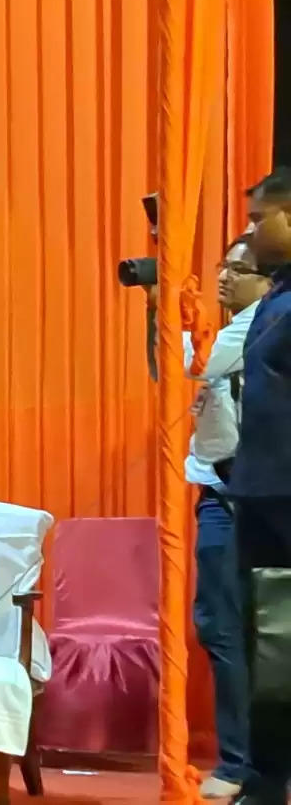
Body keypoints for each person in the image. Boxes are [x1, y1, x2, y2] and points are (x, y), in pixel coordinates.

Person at [185, 236, 272, 800]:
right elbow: (177, 372)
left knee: (262, 631)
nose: (224, 277)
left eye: (237, 269)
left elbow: (195, 365)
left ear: (267, 282)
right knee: (219, 626)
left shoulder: (262, 323)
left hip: (260, 496)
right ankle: (240, 759)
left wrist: (174, 310)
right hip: (219, 486)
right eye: (222, 265)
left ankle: (253, 762)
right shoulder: (229, 333)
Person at [227, 171, 291, 805]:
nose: (250, 231)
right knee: (270, 649)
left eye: (260, 218)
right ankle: (265, 782)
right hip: (262, 496)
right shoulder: (273, 299)